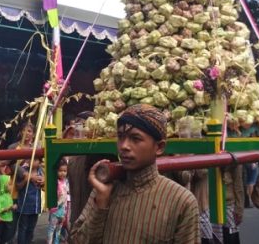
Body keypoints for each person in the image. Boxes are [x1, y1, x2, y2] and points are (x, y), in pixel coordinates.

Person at [70, 104, 199, 244]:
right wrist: (101, 204)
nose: (124, 146)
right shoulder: (105, 190)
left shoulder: (181, 201)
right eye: (120, 137)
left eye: (135, 138)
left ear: (159, 147)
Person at [15, 157, 44, 244]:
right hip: (24, 206)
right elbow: (18, 186)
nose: (32, 161)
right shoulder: (23, 170)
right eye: (30, 159)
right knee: (23, 228)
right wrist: (25, 180)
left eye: (35, 159)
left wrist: (43, 183)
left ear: (39, 161)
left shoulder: (41, 172)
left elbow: (44, 187)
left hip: (35, 206)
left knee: (31, 228)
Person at [0, 160, 15, 244]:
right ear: (3, 184)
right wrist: (10, 208)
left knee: (5, 236)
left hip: (7, 219)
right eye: (9, 184)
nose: (11, 186)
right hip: (0, 219)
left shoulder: (8, 195)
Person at [47, 160, 69, 244]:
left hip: (63, 210)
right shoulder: (55, 182)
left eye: (65, 171)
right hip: (55, 211)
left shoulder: (66, 182)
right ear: (56, 171)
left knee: (59, 230)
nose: (62, 173)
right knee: (51, 229)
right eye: (60, 171)